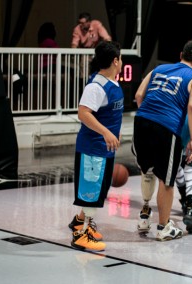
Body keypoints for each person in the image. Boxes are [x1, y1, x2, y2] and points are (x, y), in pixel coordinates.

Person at [132, 40, 192, 241]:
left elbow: (139, 94)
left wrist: (149, 114)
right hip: (165, 127)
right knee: (167, 179)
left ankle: (144, 217)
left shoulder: (159, 68)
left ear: (181, 54)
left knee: (147, 171)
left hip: (141, 121)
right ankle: (164, 227)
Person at [138, 97, 192, 235]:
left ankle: (184, 202)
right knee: (191, 169)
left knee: (174, 168)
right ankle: (189, 206)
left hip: (175, 128)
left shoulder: (172, 99)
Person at [68, 41, 124, 251]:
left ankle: (81, 223)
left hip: (105, 149)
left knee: (100, 189)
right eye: (120, 59)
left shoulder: (113, 84)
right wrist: (107, 132)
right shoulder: (95, 87)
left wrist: (113, 133)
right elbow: (83, 113)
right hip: (92, 148)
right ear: (115, 61)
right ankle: (81, 236)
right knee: (91, 192)